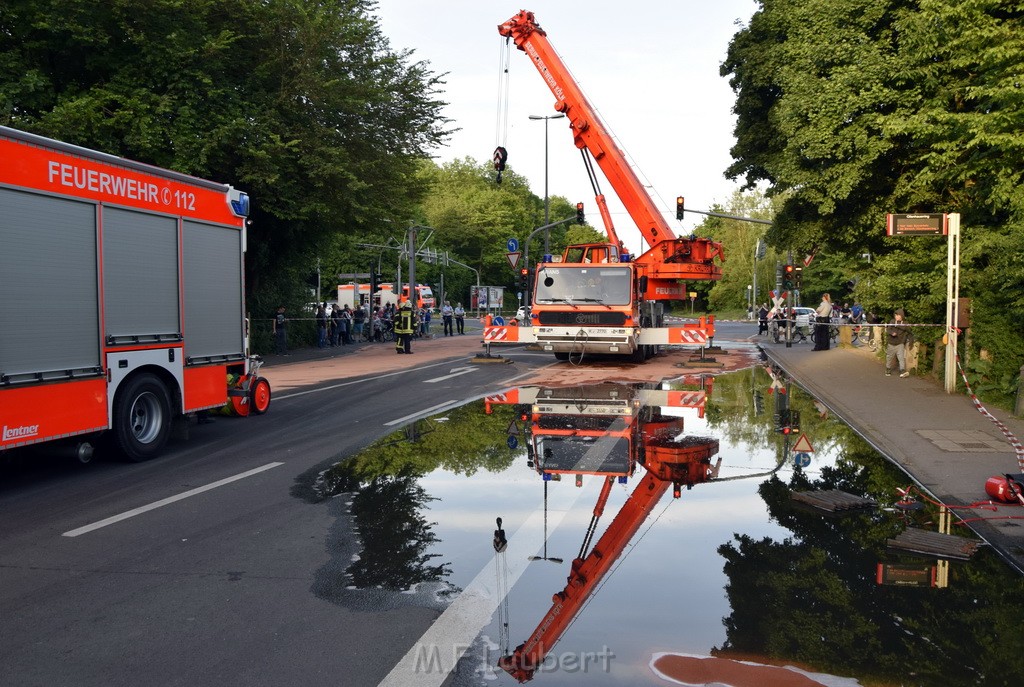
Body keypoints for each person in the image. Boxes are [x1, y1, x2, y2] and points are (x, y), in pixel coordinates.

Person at [885, 308, 912, 377]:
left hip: (900, 343)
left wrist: (911, 341)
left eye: (898, 315)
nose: (896, 317)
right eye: (895, 315)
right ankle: (888, 369)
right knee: (889, 357)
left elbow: (909, 332)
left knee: (901, 357)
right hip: (891, 343)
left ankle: (902, 370)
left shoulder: (905, 323)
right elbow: (888, 329)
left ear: (901, 316)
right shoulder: (892, 321)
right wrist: (892, 333)